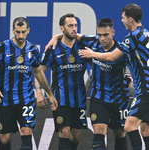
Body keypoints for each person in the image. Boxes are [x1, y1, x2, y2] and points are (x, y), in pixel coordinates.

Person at [45, 18, 131, 150]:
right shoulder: (92, 42)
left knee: (119, 133)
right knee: (99, 131)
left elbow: (133, 65)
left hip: (119, 98)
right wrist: (56, 36)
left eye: (106, 35)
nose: (102, 38)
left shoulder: (121, 49)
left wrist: (129, 76)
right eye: (99, 35)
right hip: (98, 98)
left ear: (113, 32)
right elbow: (72, 34)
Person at [79, 4, 149, 150]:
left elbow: (111, 57)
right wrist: (57, 37)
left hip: (145, 91)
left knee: (129, 125)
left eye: (123, 18)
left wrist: (92, 54)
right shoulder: (145, 33)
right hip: (110, 96)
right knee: (145, 129)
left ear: (130, 19)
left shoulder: (133, 37)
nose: (122, 20)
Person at [0, 17, 58, 150]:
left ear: (28, 31)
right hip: (6, 99)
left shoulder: (32, 50)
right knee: (4, 138)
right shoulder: (2, 47)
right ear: (13, 30)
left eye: (23, 32)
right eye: (18, 32)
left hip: (26, 99)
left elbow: (38, 73)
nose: (20, 35)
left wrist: (49, 94)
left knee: (26, 131)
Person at [35, 13, 88, 150]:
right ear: (62, 28)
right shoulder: (53, 49)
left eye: (76, 25)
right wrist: (39, 92)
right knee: (64, 132)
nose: (74, 29)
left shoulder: (84, 46)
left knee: (76, 136)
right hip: (60, 99)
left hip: (79, 99)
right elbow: (39, 72)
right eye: (70, 26)